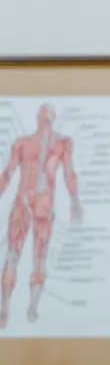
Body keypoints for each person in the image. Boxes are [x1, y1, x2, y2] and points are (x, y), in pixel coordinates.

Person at [0, 103, 82, 328]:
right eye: (42, 116)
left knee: (39, 259)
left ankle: (32, 307)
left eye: (48, 117)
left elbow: (69, 173)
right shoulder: (23, 144)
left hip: (43, 209)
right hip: (22, 206)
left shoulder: (62, 145)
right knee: (13, 256)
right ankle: (5, 309)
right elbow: (7, 174)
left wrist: (75, 200)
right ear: (38, 118)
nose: (45, 120)